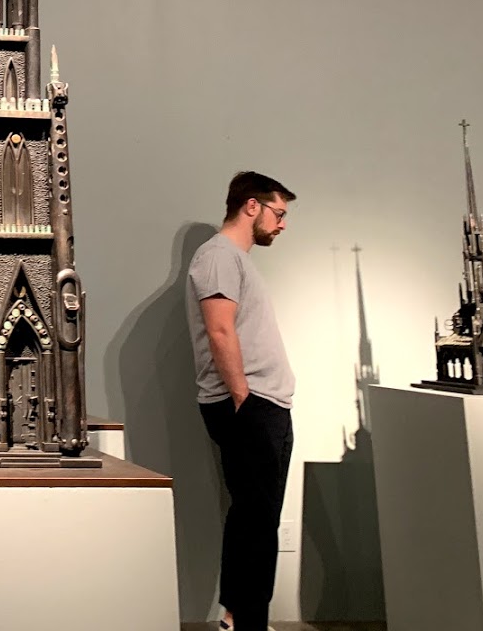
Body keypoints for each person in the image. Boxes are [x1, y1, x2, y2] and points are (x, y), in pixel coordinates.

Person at [187, 171, 297, 631]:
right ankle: (247, 621)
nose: (282, 224)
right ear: (252, 206)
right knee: (257, 519)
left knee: (256, 516)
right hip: (249, 406)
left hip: (263, 404)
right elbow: (219, 330)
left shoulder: (234, 260)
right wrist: (243, 400)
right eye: (279, 213)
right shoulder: (218, 257)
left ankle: (238, 616)